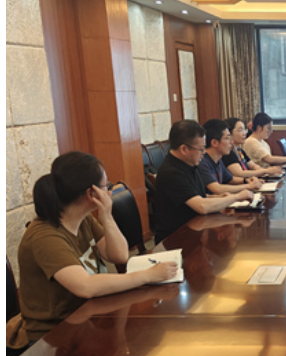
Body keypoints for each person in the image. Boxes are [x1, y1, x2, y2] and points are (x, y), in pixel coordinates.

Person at [17, 152, 178, 342]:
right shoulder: (45, 236)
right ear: (91, 194)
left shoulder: (82, 219)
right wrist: (148, 275)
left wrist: (107, 217)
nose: (109, 192)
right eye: (106, 187)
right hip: (56, 334)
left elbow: (119, 255)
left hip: (89, 313)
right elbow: (85, 286)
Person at [154, 120, 254, 243]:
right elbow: (201, 206)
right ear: (184, 149)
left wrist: (217, 197)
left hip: (195, 228)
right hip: (175, 238)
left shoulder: (189, 163)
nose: (204, 152)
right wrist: (237, 197)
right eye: (201, 149)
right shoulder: (172, 172)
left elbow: (196, 196)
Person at [198, 119, 264, 195]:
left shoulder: (218, 160)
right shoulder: (202, 162)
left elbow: (230, 179)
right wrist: (249, 186)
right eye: (227, 138)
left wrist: (247, 180)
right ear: (214, 142)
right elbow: (217, 188)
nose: (231, 142)